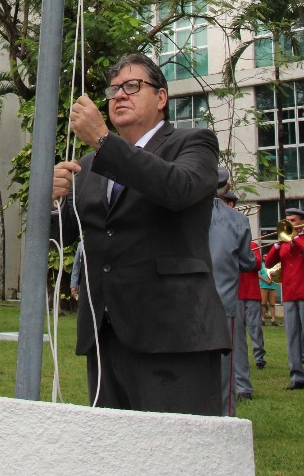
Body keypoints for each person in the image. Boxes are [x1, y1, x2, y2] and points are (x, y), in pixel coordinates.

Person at [52, 53, 230, 416]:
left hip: (173, 332)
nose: (119, 95)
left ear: (161, 98)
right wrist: (51, 200)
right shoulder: (88, 166)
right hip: (105, 332)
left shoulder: (194, 143)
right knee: (112, 451)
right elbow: (62, 233)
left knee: (176, 450)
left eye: (132, 86)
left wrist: (104, 140)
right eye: (113, 89)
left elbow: (177, 189)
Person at [208, 172, 257, 415]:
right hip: (225, 301)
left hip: (191, 300)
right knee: (225, 367)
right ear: (226, 187)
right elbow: (248, 262)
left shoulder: (184, 212)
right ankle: (226, 418)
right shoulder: (237, 220)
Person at [265, 207, 304, 393]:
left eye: (294, 221)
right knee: (292, 337)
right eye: (288, 221)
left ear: (302, 222)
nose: (291, 223)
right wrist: (276, 244)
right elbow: (268, 263)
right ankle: (297, 377)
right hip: (290, 294)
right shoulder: (283, 244)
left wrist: (296, 239)